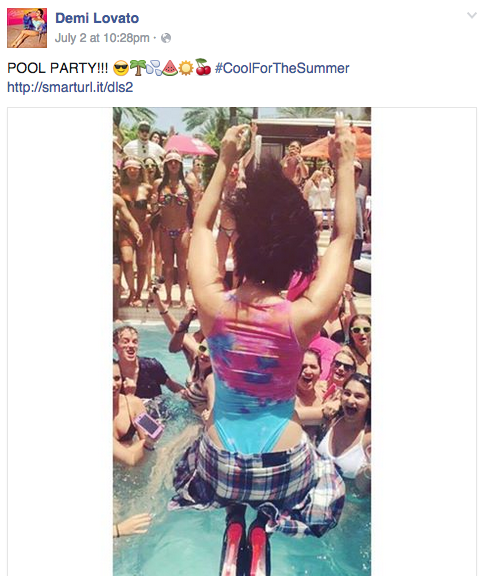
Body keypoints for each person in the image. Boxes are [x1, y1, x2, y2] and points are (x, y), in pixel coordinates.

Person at [169, 114, 356, 573]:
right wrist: (344, 164)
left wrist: (225, 160)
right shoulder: (303, 315)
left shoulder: (212, 303)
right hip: (283, 464)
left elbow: (202, 226)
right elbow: (343, 238)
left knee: (191, 462)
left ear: (242, 247)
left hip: (222, 463)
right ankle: (265, 524)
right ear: (297, 256)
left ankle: (233, 517)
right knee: (327, 480)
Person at [216, 123, 257, 286]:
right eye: (230, 170)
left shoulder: (241, 183)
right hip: (223, 229)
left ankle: (234, 290)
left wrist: (253, 135)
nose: (233, 172)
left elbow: (251, 152)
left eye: (235, 170)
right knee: (220, 262)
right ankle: (220, 290)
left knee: (237, 263)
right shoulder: (222, 184)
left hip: (237, 229)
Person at [317, 373, 371, 493]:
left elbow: (365, 488)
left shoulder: (369, 439)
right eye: (347, 393)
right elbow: (296, 416)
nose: (350, 400)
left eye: (358, 396)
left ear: (370, 403)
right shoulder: (331, 419)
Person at [154, 151, 193, 308]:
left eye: (176, 161)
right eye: (170, 162)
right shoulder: (159, 184)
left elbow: (194, 209)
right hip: (164, 229)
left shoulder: (188, 184)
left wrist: (195, 229)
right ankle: (169, 297)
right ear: (165, 165)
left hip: (182, 229)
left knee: (182, 266)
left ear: (181, 164)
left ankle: (183, 297)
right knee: (168, 267)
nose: (173, 164)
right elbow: (154, 208)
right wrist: (155, 203)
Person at [113, 326, 184, 399]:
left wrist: (186, 394)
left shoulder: (151, 366)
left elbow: (173, 386)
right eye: (125, 342)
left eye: (135, 342)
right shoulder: (113, 373)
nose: (131, 345)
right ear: (115, 346)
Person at [118, 157, 152, 307]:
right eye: (129, 169)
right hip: (126, 229)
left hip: (143, 229)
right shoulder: (119, 187)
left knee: (142, 263)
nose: (132, 171)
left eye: (135, 169)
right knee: (127, 260)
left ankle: (138, 294)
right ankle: (131, 291)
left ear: (140, 170)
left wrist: (150, 216)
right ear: (125, 171)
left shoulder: (147, 188)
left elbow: (155, 208)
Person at [112, 359, 154, 466]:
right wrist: (140, 446)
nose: (113, 384)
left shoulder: (134, 403)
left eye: (117, 378)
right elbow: (131, 459)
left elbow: (148, 437)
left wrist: (146, 443)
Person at [113, 192, 143, 321]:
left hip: (112, 245)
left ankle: (114, 316)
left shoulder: (115, 199)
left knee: (115, 281)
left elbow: (130, 219)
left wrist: (137, 232)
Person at [348, 159, 370, 284]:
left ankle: (348, 286)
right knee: (341, 259)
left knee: (352, 260)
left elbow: (363, 210)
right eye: (352, 170)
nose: (354, 172)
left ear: (360, 173)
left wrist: (367, 230)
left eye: (356, 170)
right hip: (344, 230)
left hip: (357, 230)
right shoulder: (343, 187)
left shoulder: (363, 189)